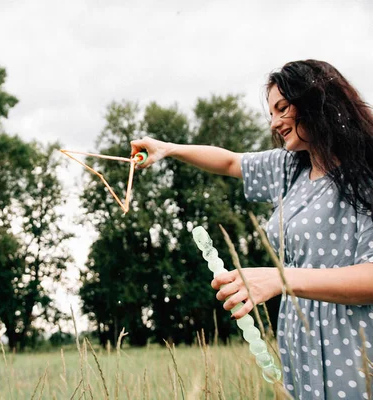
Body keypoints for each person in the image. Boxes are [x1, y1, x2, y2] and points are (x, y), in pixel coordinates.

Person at [131, 60, 373, 399]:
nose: (274, 122)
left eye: (282, 108)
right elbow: (230, 161)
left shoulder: (366, 171)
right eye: (271, 113)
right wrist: (168, 149)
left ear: (316, 101)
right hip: (299, 339)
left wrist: (280, 279)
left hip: (353, 341)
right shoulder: (291, 168)